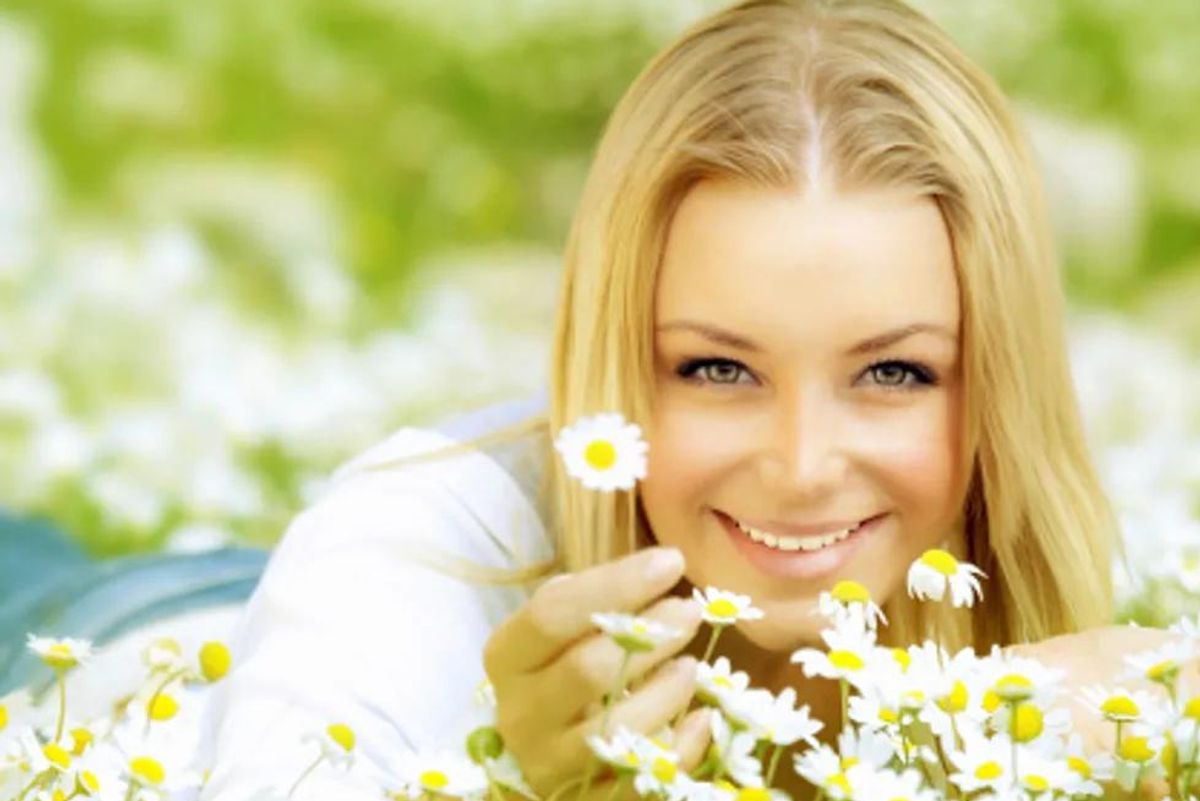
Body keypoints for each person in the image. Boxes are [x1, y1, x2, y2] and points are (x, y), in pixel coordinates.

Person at [196, 1, 1189, 799]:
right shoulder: (406, 552)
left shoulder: (1100, 642)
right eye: (717, 370)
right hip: (138, 632)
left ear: (997, 385)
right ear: (614, 355)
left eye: (893, 374)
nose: (801, 469)